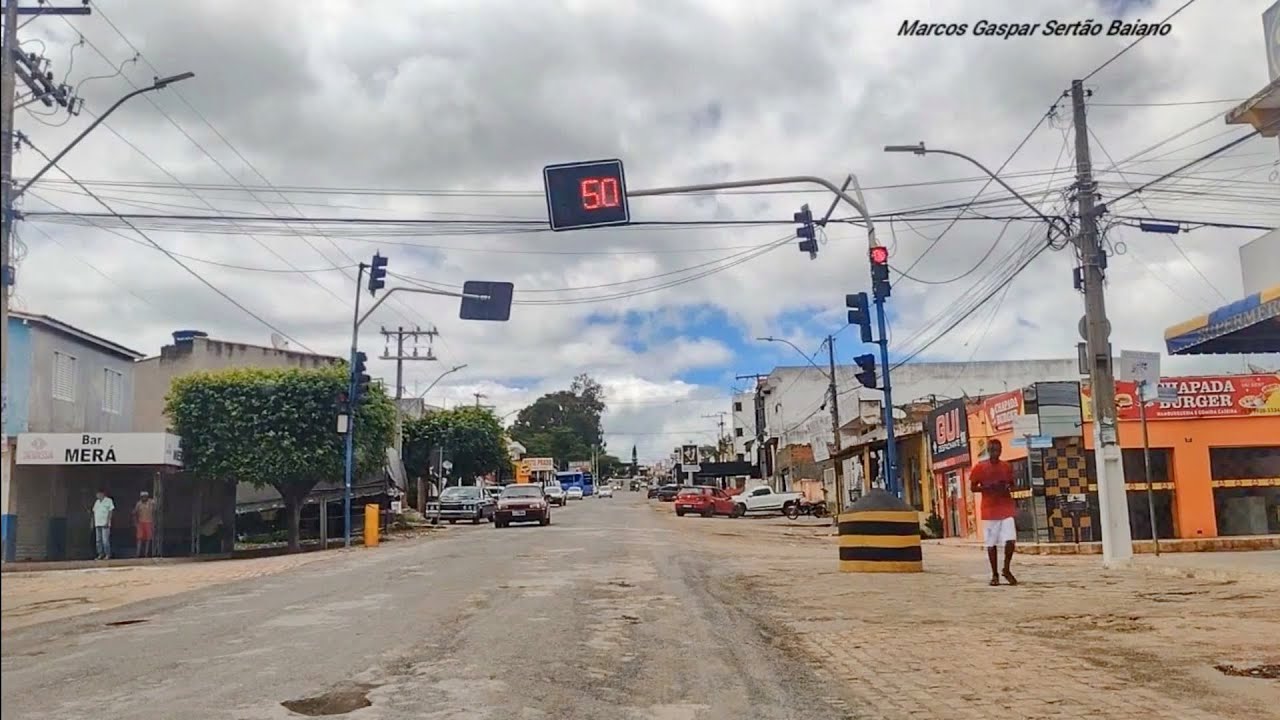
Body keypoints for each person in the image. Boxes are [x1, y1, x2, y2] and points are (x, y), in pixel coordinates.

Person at [970, 439, 1018, 586]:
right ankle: (994, 574)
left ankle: (1006, 568)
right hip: (989, 509)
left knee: (1010, 540)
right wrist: (987, 488)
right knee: (991, 544)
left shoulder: (1006, 466)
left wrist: (1006, 487)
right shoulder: (979, 467)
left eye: (997, 449)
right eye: (992, 450)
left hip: (1005, 507)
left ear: (1001, 450)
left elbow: (1012, 484)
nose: (995, 453)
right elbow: (973, 487)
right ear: (988, 450)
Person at [92, 489, 115, 560]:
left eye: (98, 494)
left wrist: (107, 521)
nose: (97, 495)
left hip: (105, 524)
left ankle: (107, 554)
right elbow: (94, 512)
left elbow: (110, 511)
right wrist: (92, 523)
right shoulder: (97, 502)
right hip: (97, 523)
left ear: (102, 494)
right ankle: (100, 554)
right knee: (98, 541)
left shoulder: (108, 501)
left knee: (105, 540)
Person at [133, 491, 157, 558]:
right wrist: (135, 523)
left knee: (148, 539)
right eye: (142, 497)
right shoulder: (139, 504)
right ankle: (138, 554)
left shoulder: (151, 503)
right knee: (139, 539)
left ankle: (146, 554)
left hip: (149, 522)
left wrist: (154, 523)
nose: (144, 498)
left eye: (145, 496)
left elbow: (156, 510)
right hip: (141, 523)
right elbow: (134, 513)